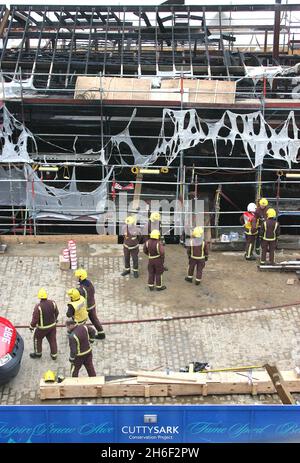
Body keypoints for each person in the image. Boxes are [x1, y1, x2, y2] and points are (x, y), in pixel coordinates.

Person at [75, 268, 105, 340]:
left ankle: (81, 335)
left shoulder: (82, 289)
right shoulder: (89, 283)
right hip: (92, 304)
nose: (77, 278)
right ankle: (101, 333)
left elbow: (80, 300)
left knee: (81, 322)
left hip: (86, 308)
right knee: (94, 319)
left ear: (80, 277)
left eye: (78, 277)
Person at [29, 288, 59, 360]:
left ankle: (38, 354)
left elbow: (35, 319)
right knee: (52, 340)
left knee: (37, 339)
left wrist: (31, 326)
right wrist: (55, 320)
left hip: (42, 329)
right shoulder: (53, 303)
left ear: (39, 297)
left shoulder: (38, 307)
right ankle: (54, 355)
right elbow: (57, 313)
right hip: (52, 327)